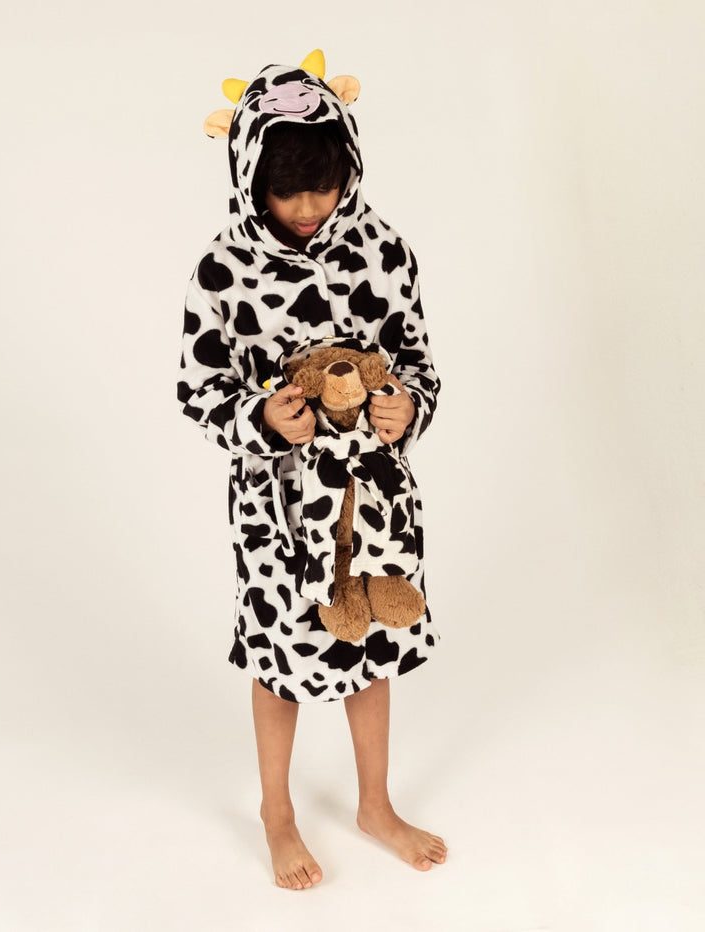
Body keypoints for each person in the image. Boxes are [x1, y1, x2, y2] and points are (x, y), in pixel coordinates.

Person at [178, 51, 447, 890]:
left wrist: (406, 408)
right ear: (250, 178)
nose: (305, 209)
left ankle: (375, 804)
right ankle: (277, 812)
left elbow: (417, 364)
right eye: (285, 193)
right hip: (279, 510)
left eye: (322, 189)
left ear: (348, 169)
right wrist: (259, 417)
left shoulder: (384, 251)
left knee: (370, 635)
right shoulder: (222, 271)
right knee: (280, 652)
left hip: (374, 498)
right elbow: (197, 388)